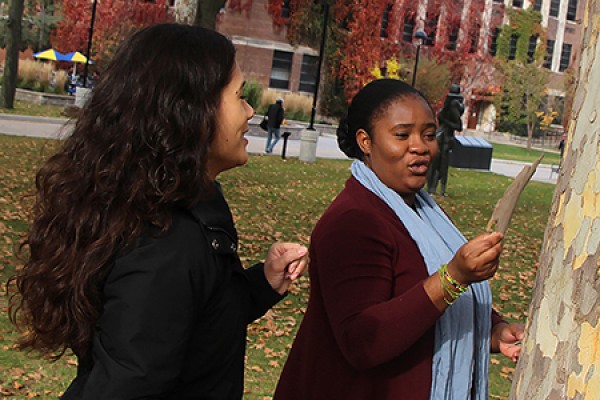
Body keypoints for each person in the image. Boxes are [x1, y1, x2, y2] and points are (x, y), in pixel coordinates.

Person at [8, 24, 308, 399]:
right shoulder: (165, 245)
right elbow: (128, 380)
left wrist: (261, 284)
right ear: (191, 111)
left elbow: (192, 321)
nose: (250, 111)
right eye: (239, 96)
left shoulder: (181, 209)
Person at [274, 79, 523, 400]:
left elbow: (419, 296)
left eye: (429, 135)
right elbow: (361, 341)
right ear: (366, 141)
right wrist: (453, 278)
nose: (420, 146)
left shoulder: (422, 211)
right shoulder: (353, 221)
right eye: (402, 135)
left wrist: (493, 331)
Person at [427, 83, 465, 195]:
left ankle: (440, 188)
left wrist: (444, 120)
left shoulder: (453, 104)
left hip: (446, 137)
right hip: (442, 136)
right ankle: (432, 187)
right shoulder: (452, 104)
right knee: (436, 163)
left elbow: (458, 126)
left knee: (442, 164)